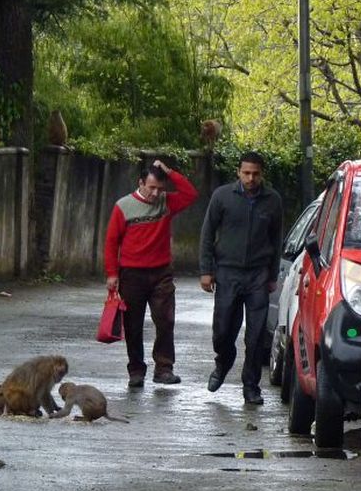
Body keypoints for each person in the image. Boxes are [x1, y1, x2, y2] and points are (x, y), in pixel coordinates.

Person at [104, 160, 199, 388]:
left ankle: (164, 368)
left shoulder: (167, 203)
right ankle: (136, 370)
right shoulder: (123, 206)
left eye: (160, 188)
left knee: (165, 320)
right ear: (140, 183)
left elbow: (190, 194)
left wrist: (169, 172)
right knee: (133, 325)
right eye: (151, 187)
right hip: (131, 273)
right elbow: (111, 242)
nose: (156, 193)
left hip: (161, 272)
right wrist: (112, 274)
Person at [199, 152, 283, 405]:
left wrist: (272, 274)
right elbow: (207, 233)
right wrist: (206, 270)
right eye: (246, 173)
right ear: (238, 172)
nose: (251, 178)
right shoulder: (222, 196)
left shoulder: (272, 200)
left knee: (256, 335)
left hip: (258, 274)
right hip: (227, 272)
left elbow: (276, 239)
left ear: (262, 174)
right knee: (222, 330)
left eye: (256, 173)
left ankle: (251, 386)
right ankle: (223, 363)